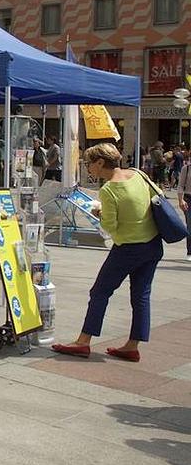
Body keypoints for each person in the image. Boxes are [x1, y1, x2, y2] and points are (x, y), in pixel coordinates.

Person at [52, 143, 163, 362]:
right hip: (152, 245)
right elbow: (158, 197)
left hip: (128, 248)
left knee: (100, 292)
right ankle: (132, 346)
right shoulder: (138, 174)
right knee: (141, 295)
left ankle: (83, 342)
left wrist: (99, 211)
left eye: (88, 163)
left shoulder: (109, 189)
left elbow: (110, 227)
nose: (87, 168)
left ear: (100, 162)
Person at [178, 153, 191, 261]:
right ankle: (190, 252)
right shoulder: (186, 169)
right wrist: (180, 199)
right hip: (188, 199)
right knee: (190, 225)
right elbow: (181, 185)